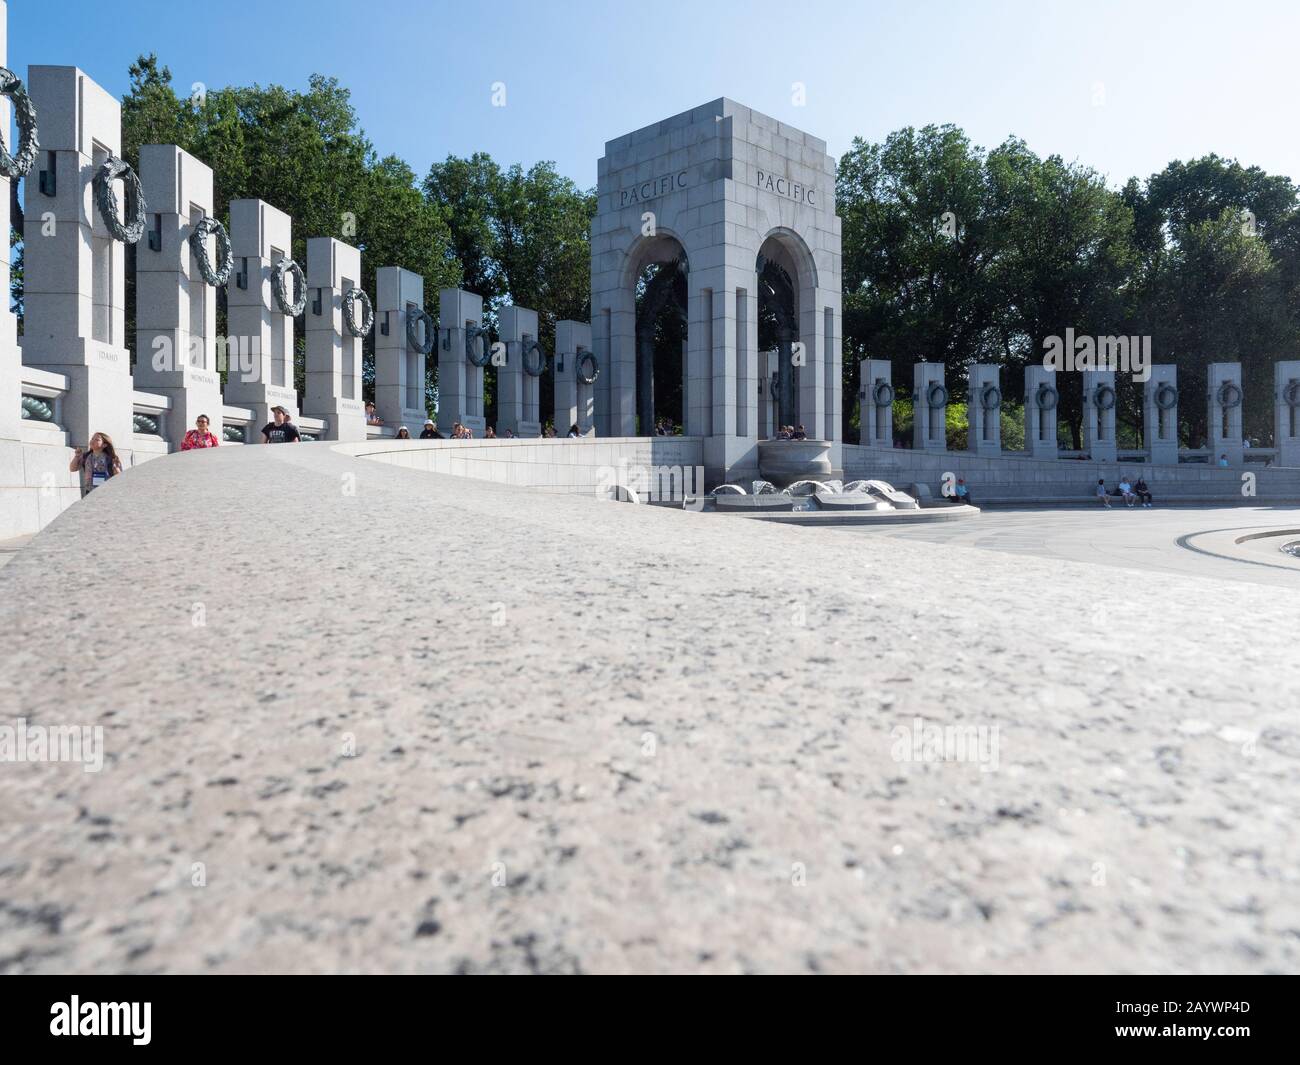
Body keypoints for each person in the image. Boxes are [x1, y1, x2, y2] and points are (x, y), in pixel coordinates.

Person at [70, 431, 123, 497]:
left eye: (97, 440)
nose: (92, 441)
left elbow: (119, 478)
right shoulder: (86, 456)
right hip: (89, 492)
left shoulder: (111, 458)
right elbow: (72, 469)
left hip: (106, 492)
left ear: (104, 445)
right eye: (92, 439)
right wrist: (77, 456)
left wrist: (116, 468)